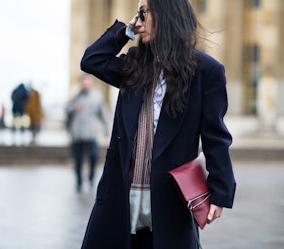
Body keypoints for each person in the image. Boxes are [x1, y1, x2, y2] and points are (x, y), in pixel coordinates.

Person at [79, 0, 236, 248]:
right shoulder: (134, 63)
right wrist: (127, 29)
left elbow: (216, 137)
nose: (139, 21)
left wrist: (220, 191)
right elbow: (91, 60)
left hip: (169, 199)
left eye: (144, 12)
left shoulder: (206, 71)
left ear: (167, 14)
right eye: (137, 14)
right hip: (120, 196)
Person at [65, 74, 109, 192]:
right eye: (84, 83)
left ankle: (91, 178)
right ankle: (79, 180)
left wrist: (107, 129)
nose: (86, 85)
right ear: (81, 84)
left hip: (91, 133)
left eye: (88, 83)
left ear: (91, 84)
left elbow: (103, 114)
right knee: (78, 159)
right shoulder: (75, 97)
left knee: (94, 156)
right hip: (77, 134)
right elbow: (66, 111)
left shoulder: (97, 97)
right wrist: (74, 108)